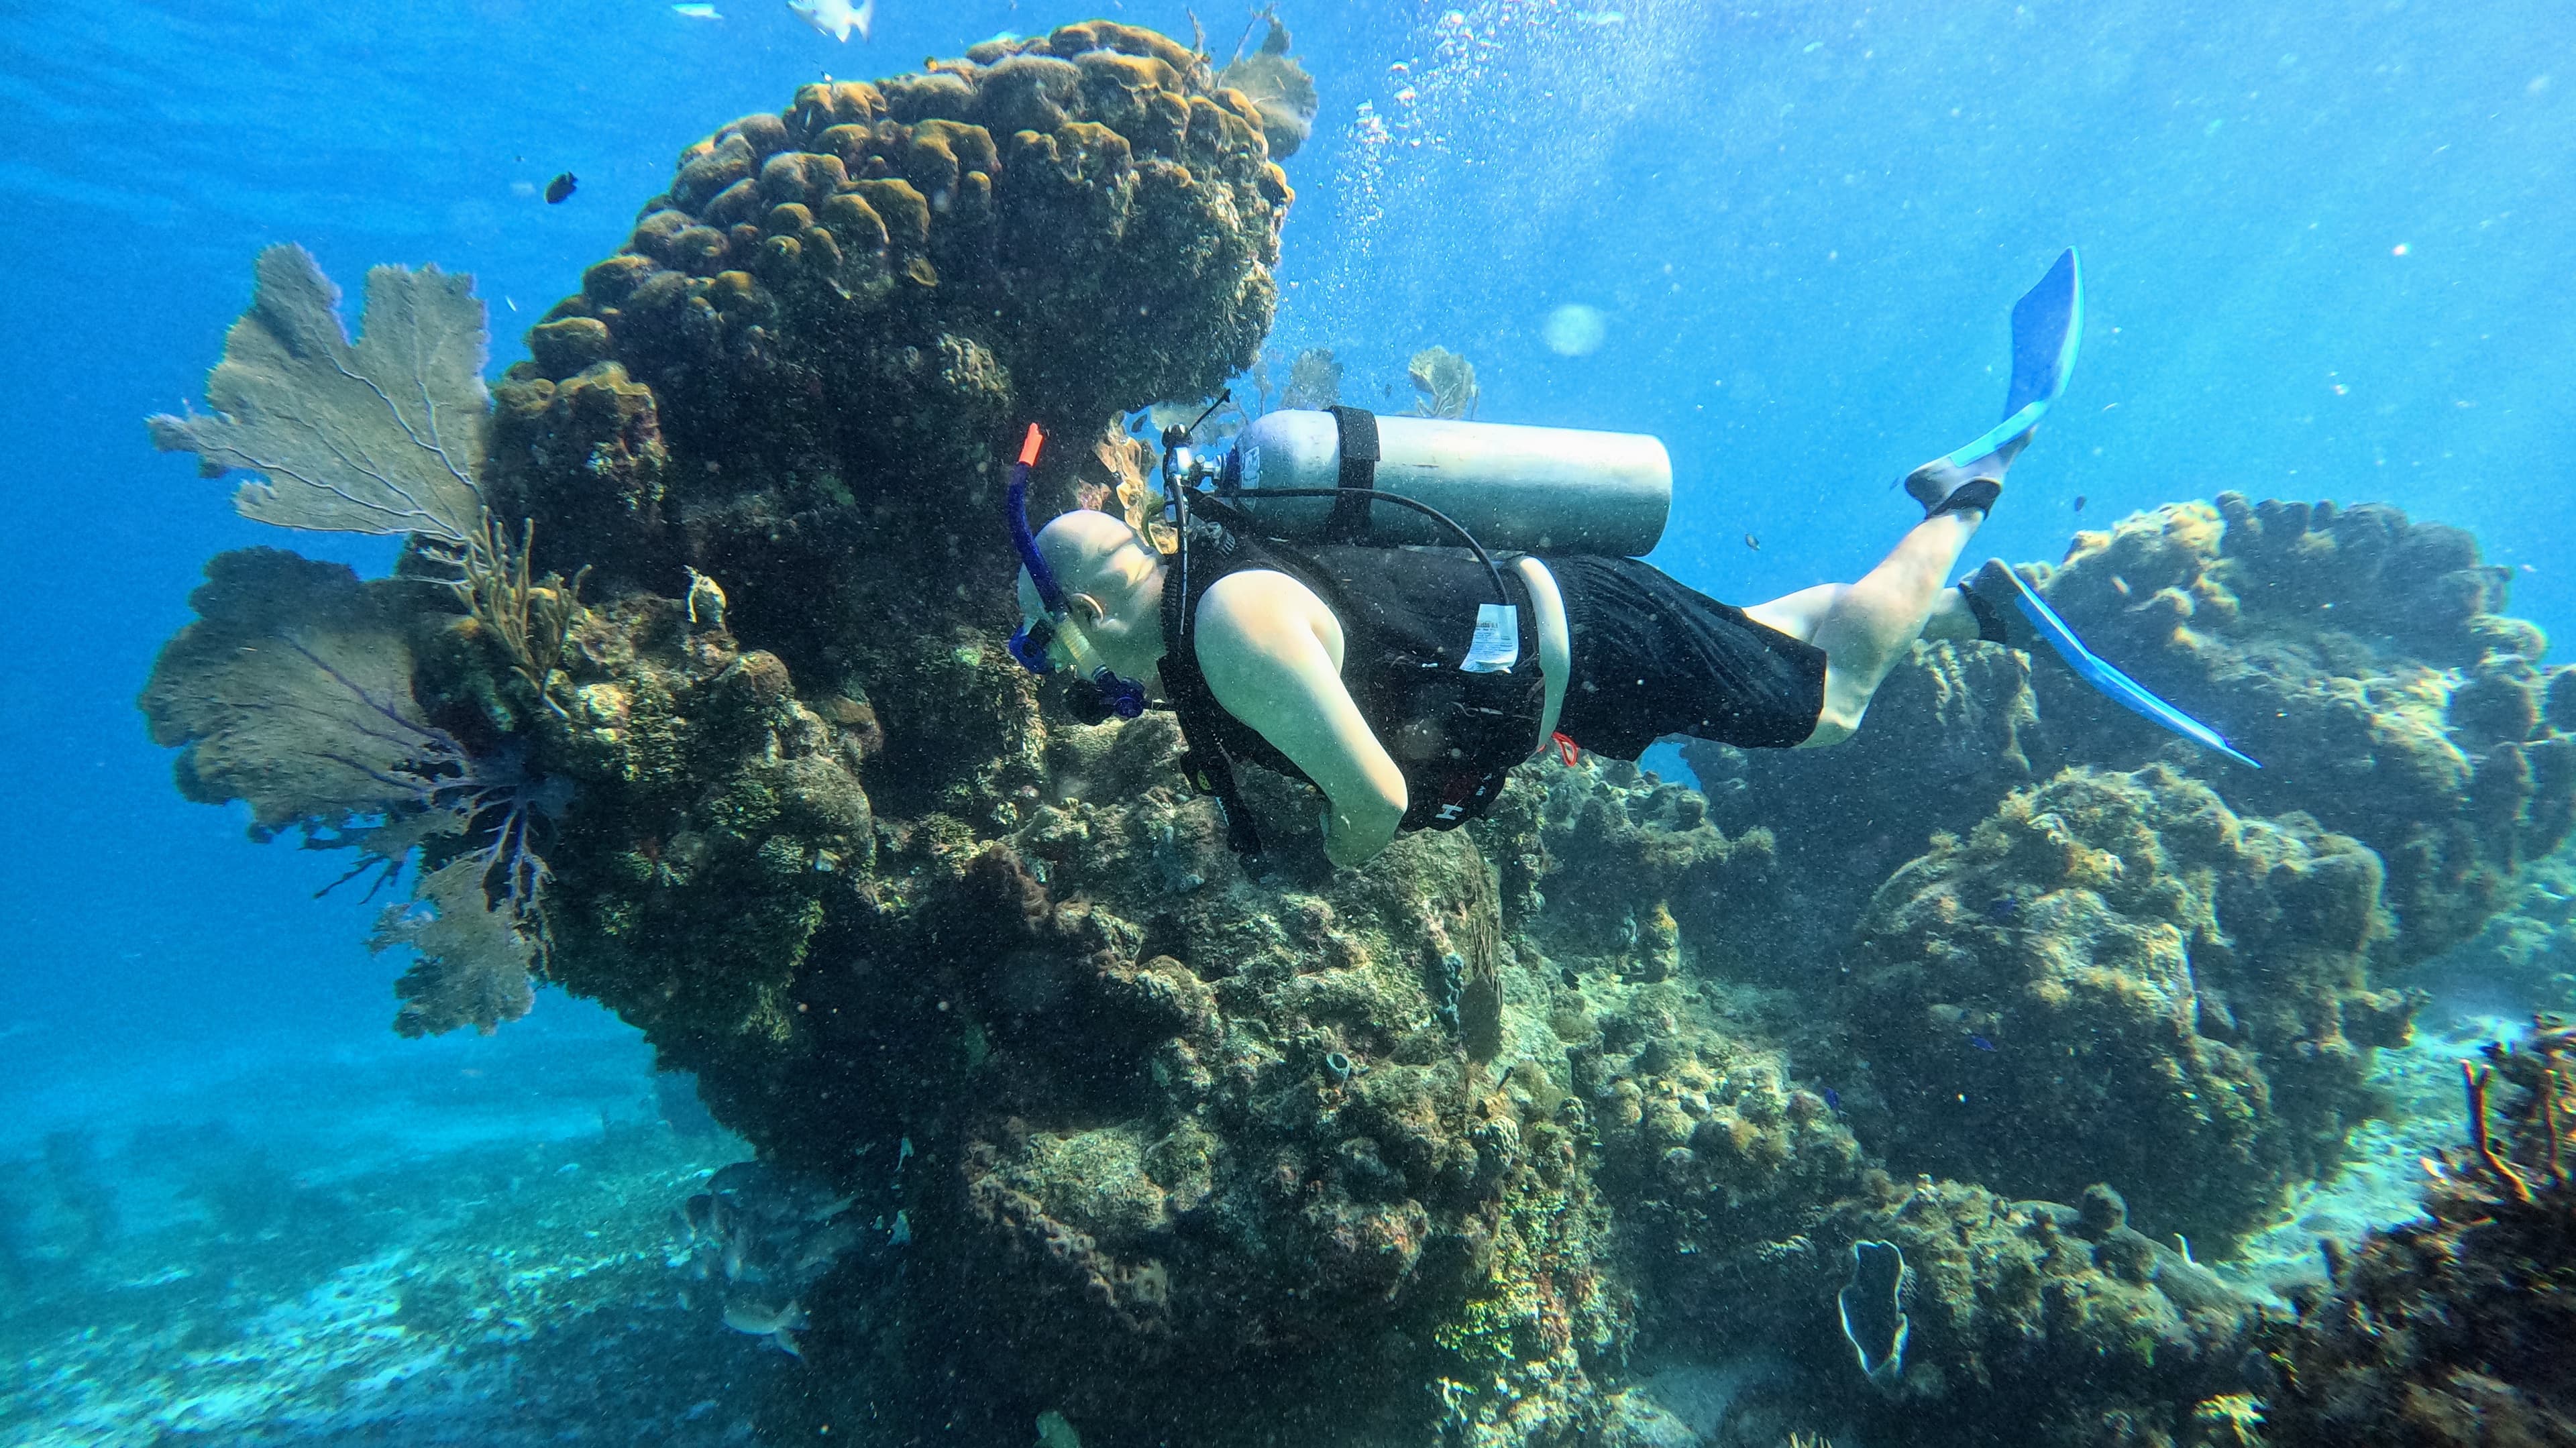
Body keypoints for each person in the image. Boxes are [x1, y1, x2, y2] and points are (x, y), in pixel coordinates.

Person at [1016, 441, 2039, 868]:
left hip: (1595, 649)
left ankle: (1971, 492)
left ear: (1092, 602)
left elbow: (1373, 798)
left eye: (1044, 644)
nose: (1059, 676)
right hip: (1578, 649)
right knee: (1769, 645)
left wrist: (1335, 855)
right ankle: (1970, 611)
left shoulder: (1228, 633)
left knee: (1832, 704)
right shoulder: (1218, 596)